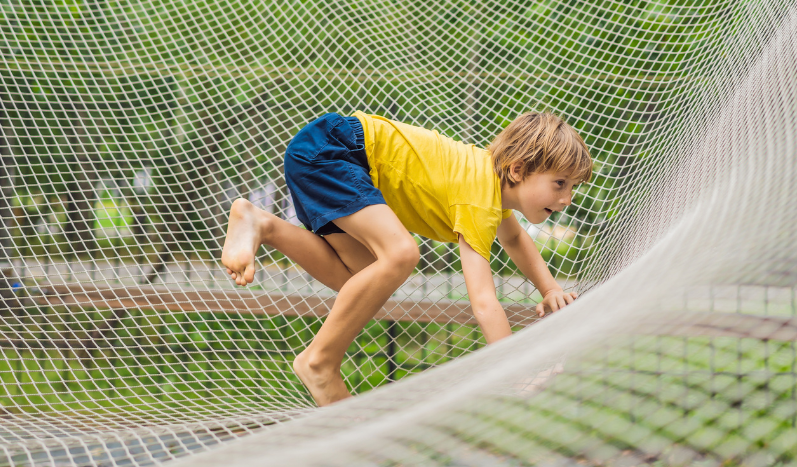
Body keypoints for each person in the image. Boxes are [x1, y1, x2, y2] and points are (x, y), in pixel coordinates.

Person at [220, 111, 592, 406]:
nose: (566, 198)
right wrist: (515, 373)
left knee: (363, 279)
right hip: (335, 149)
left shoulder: (490, 193)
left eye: (572, 187)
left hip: (325, 153)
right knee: (401, 254)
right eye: (559, 183)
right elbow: (483, 302)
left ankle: (264, 225)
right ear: (517, 170)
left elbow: (514, 239)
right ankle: (320, 361)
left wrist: (549, 288)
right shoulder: (479, 196)